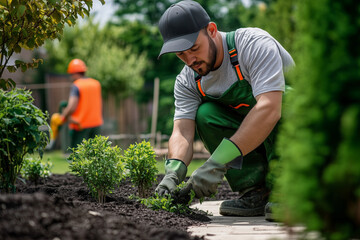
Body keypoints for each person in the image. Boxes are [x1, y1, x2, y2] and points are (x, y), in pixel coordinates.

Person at [155, 0, 294, 217]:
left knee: (285, 100)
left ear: (211, 30)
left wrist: (217, 163)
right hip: (254, 135)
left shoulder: (252, 45)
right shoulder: (187, 80)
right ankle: (256, 192)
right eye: (181, 55)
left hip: (300, 127)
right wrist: (173, 173)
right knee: (206, 115)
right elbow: (182, 131)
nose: (190, 60)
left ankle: (291, 190)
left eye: (194, 48)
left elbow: (269, 108)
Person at [51, 59, 103, 150]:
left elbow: (72, 106)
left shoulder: (77, 85)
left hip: (80, 125)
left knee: (78, 157)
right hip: (96, 124)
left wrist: (63, 117)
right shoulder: (96, 83)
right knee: (96, 155)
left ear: (74, 73)